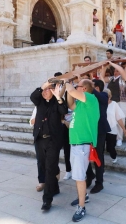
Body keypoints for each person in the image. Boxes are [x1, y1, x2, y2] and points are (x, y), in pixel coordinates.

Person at [64, 79, 100, 222]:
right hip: (76, 144)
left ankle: (81, 207)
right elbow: (70, 103)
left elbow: (72, 91)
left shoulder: (91, 99)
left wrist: (67, 84)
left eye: (78, 85)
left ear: (84, 89)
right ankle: (83, 196)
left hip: (82, 145)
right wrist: (69, 90)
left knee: (79, 177)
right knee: (79, 174)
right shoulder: (80, 104)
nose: (75, 87)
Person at [30, 81, 68, 211]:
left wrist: (58, 96)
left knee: (50, 168)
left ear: (53, 91)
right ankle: (55, 187)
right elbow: (33, 96)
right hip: (40, 139)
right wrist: (43, 85)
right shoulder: (39, 100)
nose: (45, 92)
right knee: (42, 164)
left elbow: (64, 110)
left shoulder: (57, 101)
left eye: (48, 90)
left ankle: (47, 200)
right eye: (44, 90)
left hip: (53, 141)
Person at [86, 79, 110, 193]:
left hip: (100, 131)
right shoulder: (88, 98)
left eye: (92, 88)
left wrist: (90, 87)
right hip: (88, 130)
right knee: (85, 154)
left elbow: (102, 98)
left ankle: (99, 183)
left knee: (98, 156)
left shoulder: (104, 95)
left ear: (97, 88)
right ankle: (90, 175)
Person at [100, 62, 126, 147]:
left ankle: (119, 138)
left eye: (117, 71)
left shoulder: (124, 77)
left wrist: (112, 64)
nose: (116, 72)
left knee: (121, 119)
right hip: (112, 102)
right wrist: (104, 67)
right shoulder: (112, 78)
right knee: (111, 120)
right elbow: (101, 78)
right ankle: (112, 138)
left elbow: (122, 72)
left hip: (121, 101)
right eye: (115, 71)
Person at [105, 88, 126, 163]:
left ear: (110, 96)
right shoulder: (99, 104)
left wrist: (124, 129)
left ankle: (114, 156)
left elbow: (119, 118)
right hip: (102, 129)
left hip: (112, 129)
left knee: (110, 147)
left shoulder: (114, 104)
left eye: (107, 96)